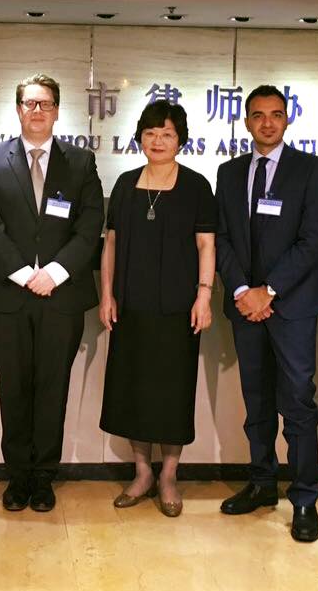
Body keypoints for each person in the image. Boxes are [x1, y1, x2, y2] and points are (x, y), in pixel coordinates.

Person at [0, 74, 103, 512]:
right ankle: (18, 476)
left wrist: (56, 272)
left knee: (52, 387)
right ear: (18, 109)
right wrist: (24, 273)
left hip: (61, 297)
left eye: (45, 103)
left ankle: (44, 476)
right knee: (13, 387)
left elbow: (90, 225)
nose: (37, 111)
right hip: (9, 297)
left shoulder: (80, 162)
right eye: (29, 103)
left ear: (57, 110)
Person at [214, 84, 318, 542]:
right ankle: (262, 483)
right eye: (258, 115)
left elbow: (313, 239)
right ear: (246, 121)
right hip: (246, 306)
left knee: (298, 403)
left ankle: (304, 498)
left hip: (293, 305)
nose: (267, 122)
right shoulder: (229, 172)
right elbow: (222, 238)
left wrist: (270, 290)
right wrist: (244, 290)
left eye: (276, 114)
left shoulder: (310, 168)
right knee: (257, 401)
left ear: (287, 119)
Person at [98, 100, 216, 517]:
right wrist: (107, 294)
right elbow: (111, 244)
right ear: (140, 138)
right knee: (131, 390)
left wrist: (204, 295)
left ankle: (168, 475)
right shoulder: (125, 183)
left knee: (172, 392)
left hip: (179, 310)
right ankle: (142, 471)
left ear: (180, 140)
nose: (158, 141)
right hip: (131, 307)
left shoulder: (196, 186)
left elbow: (206, 245)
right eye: (150, 133)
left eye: (167, 134)